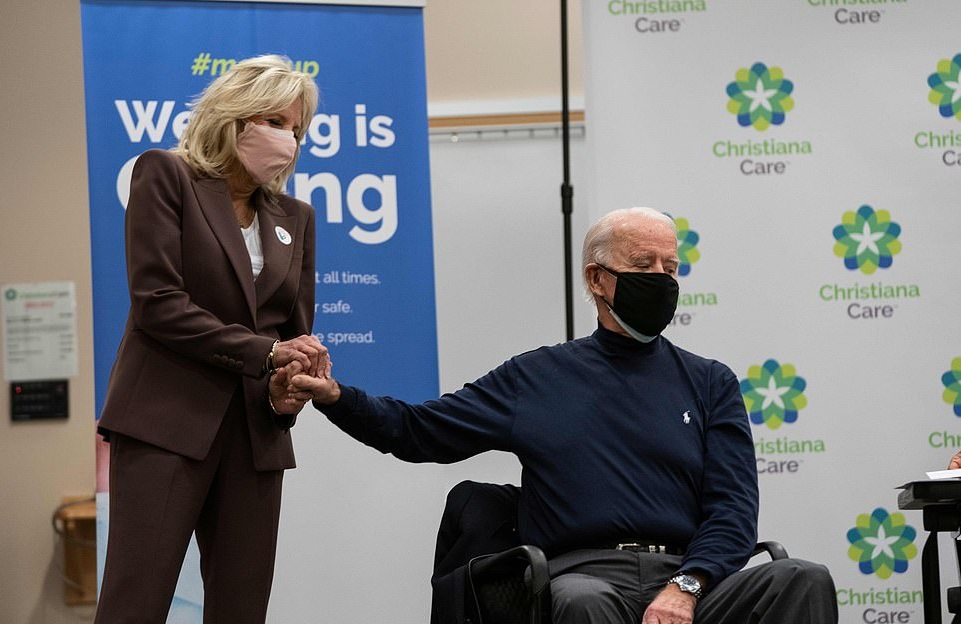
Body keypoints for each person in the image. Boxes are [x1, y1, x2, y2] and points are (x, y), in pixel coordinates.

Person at [293, 207, 838, 624]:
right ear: (598, 280)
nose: (662, 278)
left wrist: (687, 587)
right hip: (584, 575)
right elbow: (419, 431)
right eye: (643, 265)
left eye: (670, 267)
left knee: (803, 578)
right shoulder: (536, 378)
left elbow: (734, 510)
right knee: (581, 602)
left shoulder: (710, 381)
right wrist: (336, 396)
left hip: (691, 578)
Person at [94, 55, 327, 624]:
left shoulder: (295, 217)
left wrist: (290, 381)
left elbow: (291, 329)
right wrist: (264, 353)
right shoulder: (166, 175)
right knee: (135, 604)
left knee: (242, 610)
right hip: (165, 422)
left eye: (296, 129)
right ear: (235, 116)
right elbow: (158, 304)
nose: (288, 140)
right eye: (275, 121)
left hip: (255, 436)